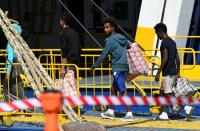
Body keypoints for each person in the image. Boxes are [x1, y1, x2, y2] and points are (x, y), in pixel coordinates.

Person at [90, 18, 133, 122]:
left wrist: (94, 66)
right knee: (113, 88)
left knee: (122, 90)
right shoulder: (122, 37)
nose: (105, 29)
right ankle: (111, 112)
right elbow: (129, 45)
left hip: (117, 67)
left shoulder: (110, 40)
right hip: (124, 66)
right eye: (104, 27)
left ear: (113, 27)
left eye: (107, 27)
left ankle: (129, 113)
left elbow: (103, 55)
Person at [154, 23, 193, 120]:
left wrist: (158, 72)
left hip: (167, 72)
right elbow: (177, 58)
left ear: (160, 31)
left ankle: (186, 107)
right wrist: (178, 71)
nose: (157, 35)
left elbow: (165, 58)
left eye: (156, 33)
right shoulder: (172, 42)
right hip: (173, 71)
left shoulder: (164, 42)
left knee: (168, 93)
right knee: (162, 91)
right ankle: (164, 113)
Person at [3, 23, 25, 101]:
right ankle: (23, 106)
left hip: (16, 66)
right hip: (20, 66)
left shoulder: (11, 43)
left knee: (7, 87)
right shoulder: (19, 42)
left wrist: (8, 72)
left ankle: (17, 105)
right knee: (17, 86)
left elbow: (10, 58)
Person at [59, 13, 81, 78]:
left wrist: (62, 68)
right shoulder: (75, 32)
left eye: (60, 20)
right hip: (76, 63)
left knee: (67, 85)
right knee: (74, 84)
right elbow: (79, 48)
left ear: (63, 21)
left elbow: (64, 50)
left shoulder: (63, 33)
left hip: (68, 63)